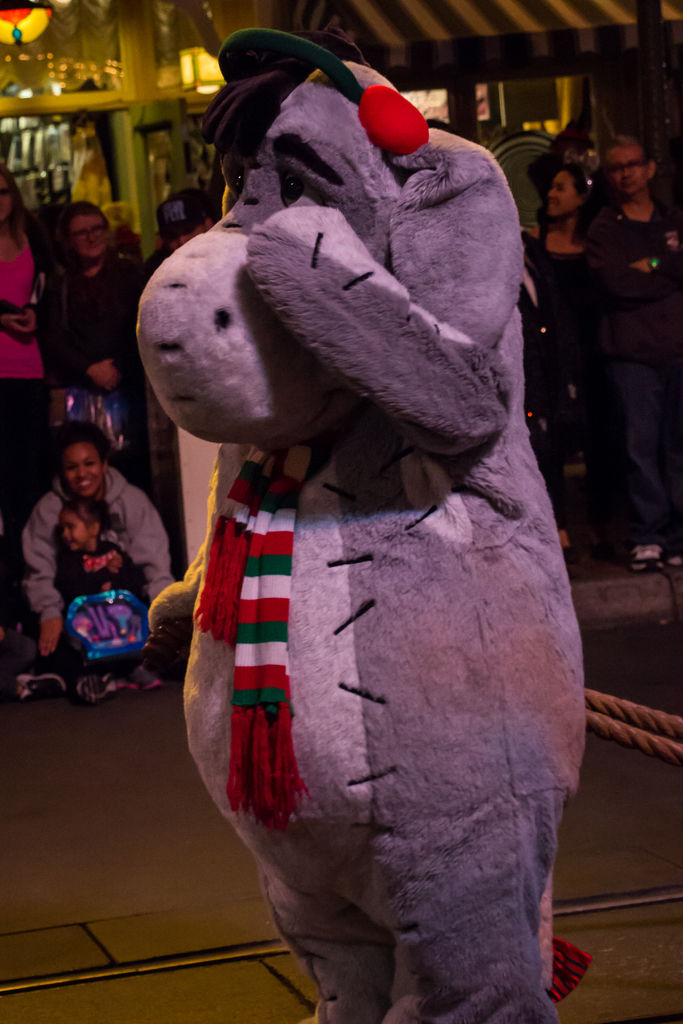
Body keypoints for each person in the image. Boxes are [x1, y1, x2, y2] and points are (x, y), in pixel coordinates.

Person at [586, 136, 683, 572]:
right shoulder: (605, 228)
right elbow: (616, 284)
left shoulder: (674, 218)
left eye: (631, 165)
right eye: (615, 168)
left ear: (650, 168)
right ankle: (648, 533)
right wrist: (665, 266)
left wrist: (653, 264)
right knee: (638, 448)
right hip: (631, 355)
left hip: (678, 350)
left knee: (678, 446)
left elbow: (669, 268)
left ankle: (678, 534)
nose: (624, 173)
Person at [22, 421, 174, 680]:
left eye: (89, 464)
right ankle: (93, 680)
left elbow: (155, 568)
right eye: (72, 467)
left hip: (129, 615)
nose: (82, 474)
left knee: (174, 646)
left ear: (104, 464)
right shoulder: (48, 510)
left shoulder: (132, 501)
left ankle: (131, 668)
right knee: (51, 652)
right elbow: (39, 573)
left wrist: (163, 615)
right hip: (77, 619)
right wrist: (50, 612)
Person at [530, 163, 617, 561]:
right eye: (550, 186)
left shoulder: (599, 242)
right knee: (552, 443)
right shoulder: (535, 242)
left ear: (583, 196)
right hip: (555, 358)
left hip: (596, 351)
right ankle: (559, 528)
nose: (552, 193)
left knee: (603, 440)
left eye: (562, 187)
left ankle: (603, 527)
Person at [44, 201, 150, 492]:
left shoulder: (131, 275)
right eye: (81, 232)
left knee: (133, 474)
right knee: (86, 479)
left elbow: (143, 327)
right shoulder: (59, 284)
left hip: (129, 393)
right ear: (67, 240)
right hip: (80, 398)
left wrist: (118, 366)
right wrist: (89, 368)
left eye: (96, 228)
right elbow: (52, 336)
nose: (91, 237)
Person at [0, 162, 53, 563]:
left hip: (30, 369)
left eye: (3, 192)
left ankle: (32, 572)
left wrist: (37, 313)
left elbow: (48, 287)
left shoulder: (30, 233)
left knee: (30, 479)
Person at [143, 191, 215, 280]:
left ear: (208, 225)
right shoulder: (153, 273)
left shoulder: (229, 259)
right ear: (161, 240)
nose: (181, 241)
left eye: (187, 230)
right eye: (171, 235)